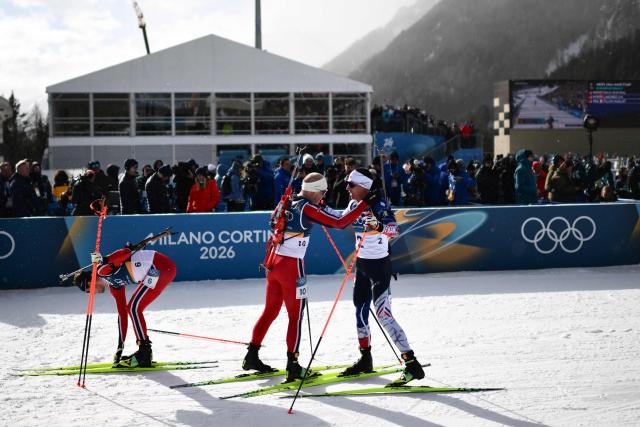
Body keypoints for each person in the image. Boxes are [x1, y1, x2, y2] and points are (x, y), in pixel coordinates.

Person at [243, 172, 374, 381]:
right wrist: (364, 204)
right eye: (322, 193)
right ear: (315, 191)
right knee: (295, 317)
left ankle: (252, 355)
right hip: (291, 266)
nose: (323, 197)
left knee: (270, 311)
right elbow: (340, 224)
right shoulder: (307, 208)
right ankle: (293, 366)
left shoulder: (288, 201)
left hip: (273, 263)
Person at [333, 168, 425, 383]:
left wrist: (379, 225)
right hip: (362, 266)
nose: (347, 188)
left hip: (379, 268)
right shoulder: (355, 204)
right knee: (360, 311)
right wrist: (317, 209)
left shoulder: (378, 204)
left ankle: (412, 364)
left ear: (364, 186)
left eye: (351, 185)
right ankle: (365, 359)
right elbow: (340, 218)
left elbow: (394, 230)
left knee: (383, 315)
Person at [73, 246, 177, 367]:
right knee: (132, 309)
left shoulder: (102, 271)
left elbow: (126, 252)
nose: (91, 294)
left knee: (134, 308)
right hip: (158, 271)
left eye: (88, 291)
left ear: (90, 282)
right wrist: (120, 345)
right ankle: (144, 352)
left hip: (160, 266)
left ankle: (144, 353)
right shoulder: (114, 287)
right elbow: (122, 315)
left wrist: (104, 259)